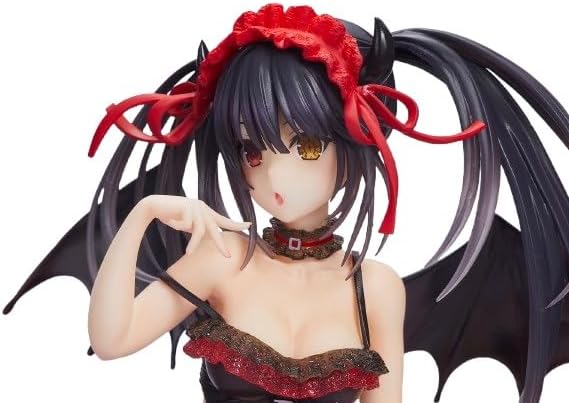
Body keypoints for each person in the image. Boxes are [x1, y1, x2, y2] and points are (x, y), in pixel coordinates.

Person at [3, 3, 569, 403]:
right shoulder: (223, 257)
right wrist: (142, 214)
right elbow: (110, 340)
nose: (274, 176)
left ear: (353, 145)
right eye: (252, 151)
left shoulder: (374, 288)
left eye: (307, 146)